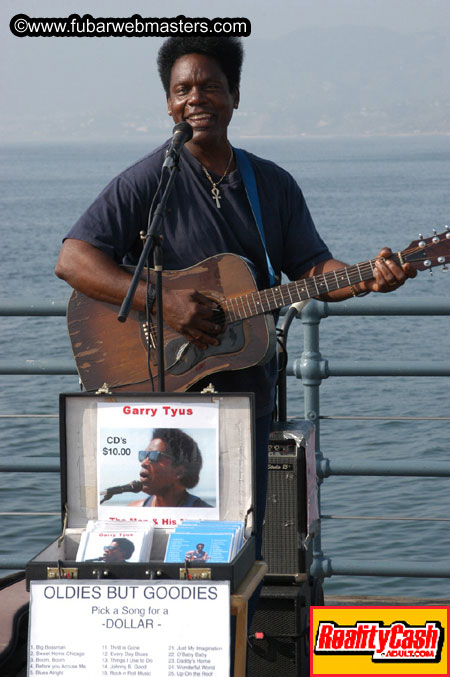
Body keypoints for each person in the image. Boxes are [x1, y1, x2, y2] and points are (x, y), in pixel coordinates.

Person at [55, 36, 416, 562]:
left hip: (246, 400)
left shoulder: (270, 184)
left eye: (210, 87)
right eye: (183, 90)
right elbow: (74, 261)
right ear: (169, 103)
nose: (196, 99)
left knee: (238, 552)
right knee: (158, 554)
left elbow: (315, 268)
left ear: (235, 96)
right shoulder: (145, 183)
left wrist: (368, 277)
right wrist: (165, 303)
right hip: (166, 404)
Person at [128, 428, 212, 508]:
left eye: (154, 456)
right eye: (143, 455)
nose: (143, 463)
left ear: (179, 472)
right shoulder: (134, 509)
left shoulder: (205, 514)